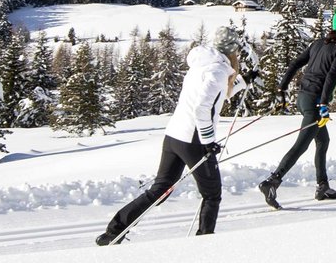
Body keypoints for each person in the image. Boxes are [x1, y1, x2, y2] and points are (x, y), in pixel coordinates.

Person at [96, 43, 242, 245]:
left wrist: (242, 82)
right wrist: (209, 142)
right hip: (194, 139)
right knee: (212, 194)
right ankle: (205, 243)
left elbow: (216, 94)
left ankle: (114, 231)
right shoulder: (218, 71)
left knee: (159, 190)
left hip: (174, 136)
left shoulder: (202, 65)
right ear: (232, 52)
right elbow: (202, 109)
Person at [257, 9, 336, 208]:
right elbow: (331, 77)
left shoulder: (318, 43)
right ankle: (272, 181)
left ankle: (323, 186)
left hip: (303, 99)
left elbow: (296, 63)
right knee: (301, 145)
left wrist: (283, 86)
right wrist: (324, 103)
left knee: (323, 141)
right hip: (315, 102)